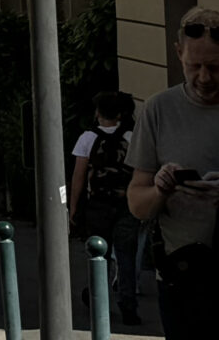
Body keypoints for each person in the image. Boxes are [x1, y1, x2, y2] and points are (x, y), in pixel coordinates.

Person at [128, 6, 219, 338]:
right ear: (178, 54)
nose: (204, 77)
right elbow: (137, 203)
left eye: (215, 67)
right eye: (194, 66)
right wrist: (160, 188)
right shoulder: (158, 110)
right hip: (186, 282)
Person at [70, 89, 141, 326]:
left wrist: (73, 210)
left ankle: (96, 298)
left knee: (98, 254)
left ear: (99, 112)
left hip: (98, 205)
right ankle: (128, 305)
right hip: (127, 204)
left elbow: (78, 177)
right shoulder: (133, 137)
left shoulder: (88, 138)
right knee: (126, 256)